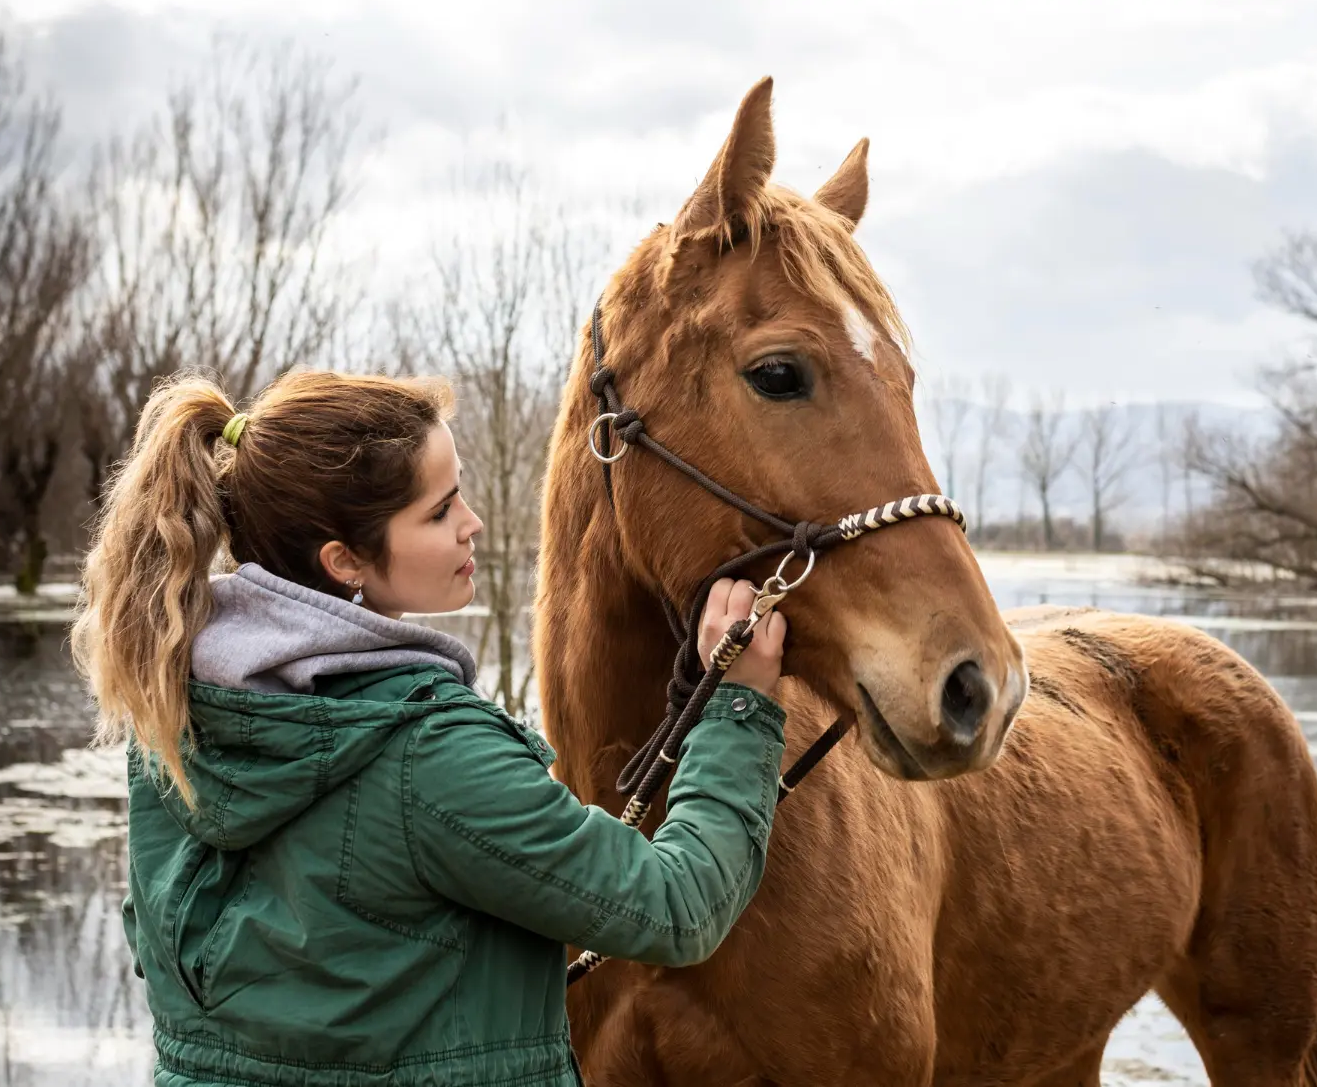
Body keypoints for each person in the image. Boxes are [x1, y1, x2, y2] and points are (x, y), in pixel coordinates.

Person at [70, 367, 788, 1087]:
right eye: (440, 511)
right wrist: (738, 706)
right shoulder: (430, 752)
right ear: (344, 560)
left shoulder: (172, 712)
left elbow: (159, 937)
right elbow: (676, 907)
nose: (473, 523)